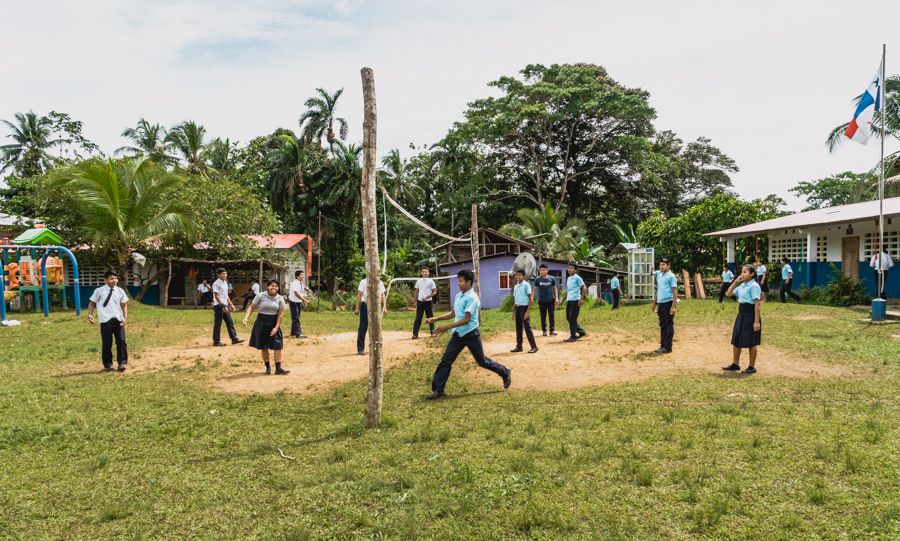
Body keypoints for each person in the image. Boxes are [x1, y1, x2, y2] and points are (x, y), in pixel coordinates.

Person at [426, 269, 511, 399]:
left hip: (470, 334)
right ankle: (438, 390)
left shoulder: (473, 298)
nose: (458, 284)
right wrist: (436, 319)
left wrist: (447, 327)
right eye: (458, 281)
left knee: (482, 361)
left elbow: (466, 319)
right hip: (458, 335)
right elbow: (454, 314)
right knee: (446, 360)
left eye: (461, 281)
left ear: (469, 282)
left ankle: (505, 372)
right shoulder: (459, 296)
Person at [243, 279, 289, 375]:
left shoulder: (280, 298)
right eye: (272, 286)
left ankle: (278, 368)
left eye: (276, 286)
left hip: (273, 322)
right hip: (261, 322)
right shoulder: (260, 295)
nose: (274, 288)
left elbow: (280, 314)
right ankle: (268, 368)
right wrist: (246, 317)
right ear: (268, 287)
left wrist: (276, 327)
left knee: (277, 345)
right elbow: (251, 307)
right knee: (264, 346)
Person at [722, 265, 762, 374]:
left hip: (750, 315)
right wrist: (735, 282)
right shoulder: (743, 285)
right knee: (736, 340)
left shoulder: (754, 286)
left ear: (752, 274)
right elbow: (728, 293)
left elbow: (757, 304)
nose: (742, 274)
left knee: (751, 342)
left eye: (745, 272)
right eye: (741, 272)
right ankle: (735, 364)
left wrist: (756, 321)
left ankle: (751, 367)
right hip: (741, 314)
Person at [87, 271, 129, 372]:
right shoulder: (99, 291)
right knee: (107, 343)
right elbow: (92, 303)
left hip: (118, 320)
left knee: (121, 341)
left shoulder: (120, 291)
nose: (114, 280)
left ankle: (122, 363)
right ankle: (108, 365)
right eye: (111, 278)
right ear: (105, 280)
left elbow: (124, 305)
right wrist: (90, 314)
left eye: (115, 278)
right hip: (105, 321)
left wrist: (125, 318)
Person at [355, 275, 387, 355]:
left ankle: (376, 348)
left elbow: (382, 295)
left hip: (376, 306)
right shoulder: (363, 281)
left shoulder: (380, 282)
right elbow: (359, 294)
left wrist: (384, 307)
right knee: (363, 326)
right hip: (365, 306)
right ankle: (360, 349)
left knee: (376, 327)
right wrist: (357, 308)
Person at [212, 268, 243, 346]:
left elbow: (226, 296)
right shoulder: (216, 283)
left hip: (225, 305)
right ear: (218, 275)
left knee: (230, 322)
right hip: (219, 306)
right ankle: (216, 341)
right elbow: (216, 296)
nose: (225, 275)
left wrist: (231, 304)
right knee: (218, 324)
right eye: (223, 273)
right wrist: (222, 306)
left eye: (225, 273)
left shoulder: (225, 282)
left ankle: (234, 339)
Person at [652, 258, 678, 354]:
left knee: (669, 324)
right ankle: (663, 345)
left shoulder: (671, 276)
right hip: (661, 303)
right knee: (662, 325)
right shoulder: (659, 275)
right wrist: (655, 303)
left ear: (668, 266)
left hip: (668, 302)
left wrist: (673, 306)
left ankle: (668, 347)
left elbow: (675, 291)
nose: (661, 266)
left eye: (663, 265)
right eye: (660, 264)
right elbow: (659, 290)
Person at [511, 270, 538, 353]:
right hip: (518, 308)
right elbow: (515, 299)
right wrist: (513, 312)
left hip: (524, 308)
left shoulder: (526, 285)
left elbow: (530, 299)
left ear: (523, 276)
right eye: (516, 275)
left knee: (527, 328)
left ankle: (534, 347)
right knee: (518, 328)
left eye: (519, 275)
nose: (518, 277)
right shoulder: (516, 286)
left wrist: (527, 312)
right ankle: (519, 346)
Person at [562, 263, 587, 342]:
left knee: (572, 318)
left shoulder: (577, 278)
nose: (569, 269)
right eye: (569, 268)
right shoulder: (569, 278)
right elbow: (567, 291)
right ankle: (581, 331)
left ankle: (573, 336)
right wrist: (562, 301)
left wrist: (581, 299)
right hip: (570, 300)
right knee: (569, 317)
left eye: (572, 268)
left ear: (575, 270)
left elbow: (584, 288)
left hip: (576, 300)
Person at [533, 264, 559, 336]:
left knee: (551, 316)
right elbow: (534, 289)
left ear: (547, 270)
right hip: (542, 301)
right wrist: (532, 298)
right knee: (543, 316)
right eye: (541, 270)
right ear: (539, 271)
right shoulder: (538, 279)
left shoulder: (551, 278)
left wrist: (556, 298)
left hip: (551, 300)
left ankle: (552, 331)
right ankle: (544, 331)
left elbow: (555, 288)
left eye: (544, 270)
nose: (542, 271)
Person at [412, 267, 437, 339]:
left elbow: (435, 292)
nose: (424, 273)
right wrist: (415, 301)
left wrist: (427, 297)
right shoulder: (418, 281)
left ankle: (432, 333)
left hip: (428, 302)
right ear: (421, 273)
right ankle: (415, 334)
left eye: (426, 272)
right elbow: (416, 292)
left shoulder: (431, 281)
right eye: (423, 272)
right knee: (418, 318)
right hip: (420, 302)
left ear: (428, 273)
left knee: (430, 318)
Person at [288, 270, 309, 338]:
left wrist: (303, 301)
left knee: (296, 317)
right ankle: (298, 333)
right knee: (296, 318)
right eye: (301, 275)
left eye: (303, 275)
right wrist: (304, 300)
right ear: (297, 276)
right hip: (293, 302)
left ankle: (293, 332)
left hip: (298, 302)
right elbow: (296, 293)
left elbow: (301, 293)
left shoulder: (301, 283)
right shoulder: (294, 283)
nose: (303, 276)